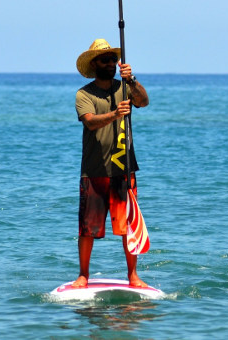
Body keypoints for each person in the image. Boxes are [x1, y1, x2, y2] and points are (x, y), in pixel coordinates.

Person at [72, 38, 150, 288]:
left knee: (129, 226)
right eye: (105, 60)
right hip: (94, 171)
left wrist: (132, 80)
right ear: (95, 64)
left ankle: (133, 275)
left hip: (124, 170)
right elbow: (90, 121)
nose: (111, 63)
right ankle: (83, 274)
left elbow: (143, 102)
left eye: (113, 59)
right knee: (87, 228)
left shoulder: (125, 87)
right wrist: (115, 114)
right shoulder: (84, 94)